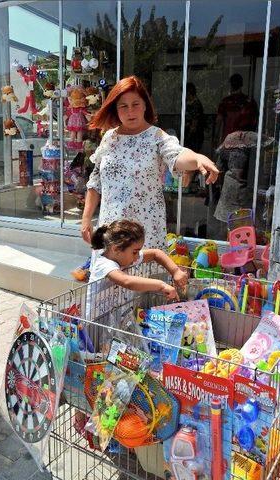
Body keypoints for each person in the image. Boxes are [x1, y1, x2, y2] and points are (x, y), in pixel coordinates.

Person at [81, 76, 219, 250]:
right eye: (123, 106)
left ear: (145, 105)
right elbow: (95, 181)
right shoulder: (109, 138)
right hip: (112, 232)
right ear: (116, 109)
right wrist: (86, 218)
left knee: (144, 276)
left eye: (135, 104)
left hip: (146, 235)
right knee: (113, 276)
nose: (130, 111)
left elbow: (177, 154)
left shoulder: (156, 137)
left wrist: (198, 158)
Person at [84, 220, 188, 350]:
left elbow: (156, 253)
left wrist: (175, 271)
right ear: (116, 249)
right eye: (134, 252)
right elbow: (127, 281)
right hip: (96, 325)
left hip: (115, 321)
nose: (136, 257)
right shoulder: (104, 264)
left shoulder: (123, 257)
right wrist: (161, 285)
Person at [215, 74, 259, 144]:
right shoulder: (250, 102)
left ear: (231, 85)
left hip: (228, 140)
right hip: (243, 141)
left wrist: (216, 137)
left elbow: (219, 120)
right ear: (241, 85)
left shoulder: (225, 102)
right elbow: (255, 122)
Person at [184, 83, 205, 152]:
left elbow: (194, 123)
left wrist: (188, 136)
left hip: (194, 137)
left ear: (189, 92)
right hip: (188, 133)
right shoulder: (187, 103)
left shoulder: (196, 105)